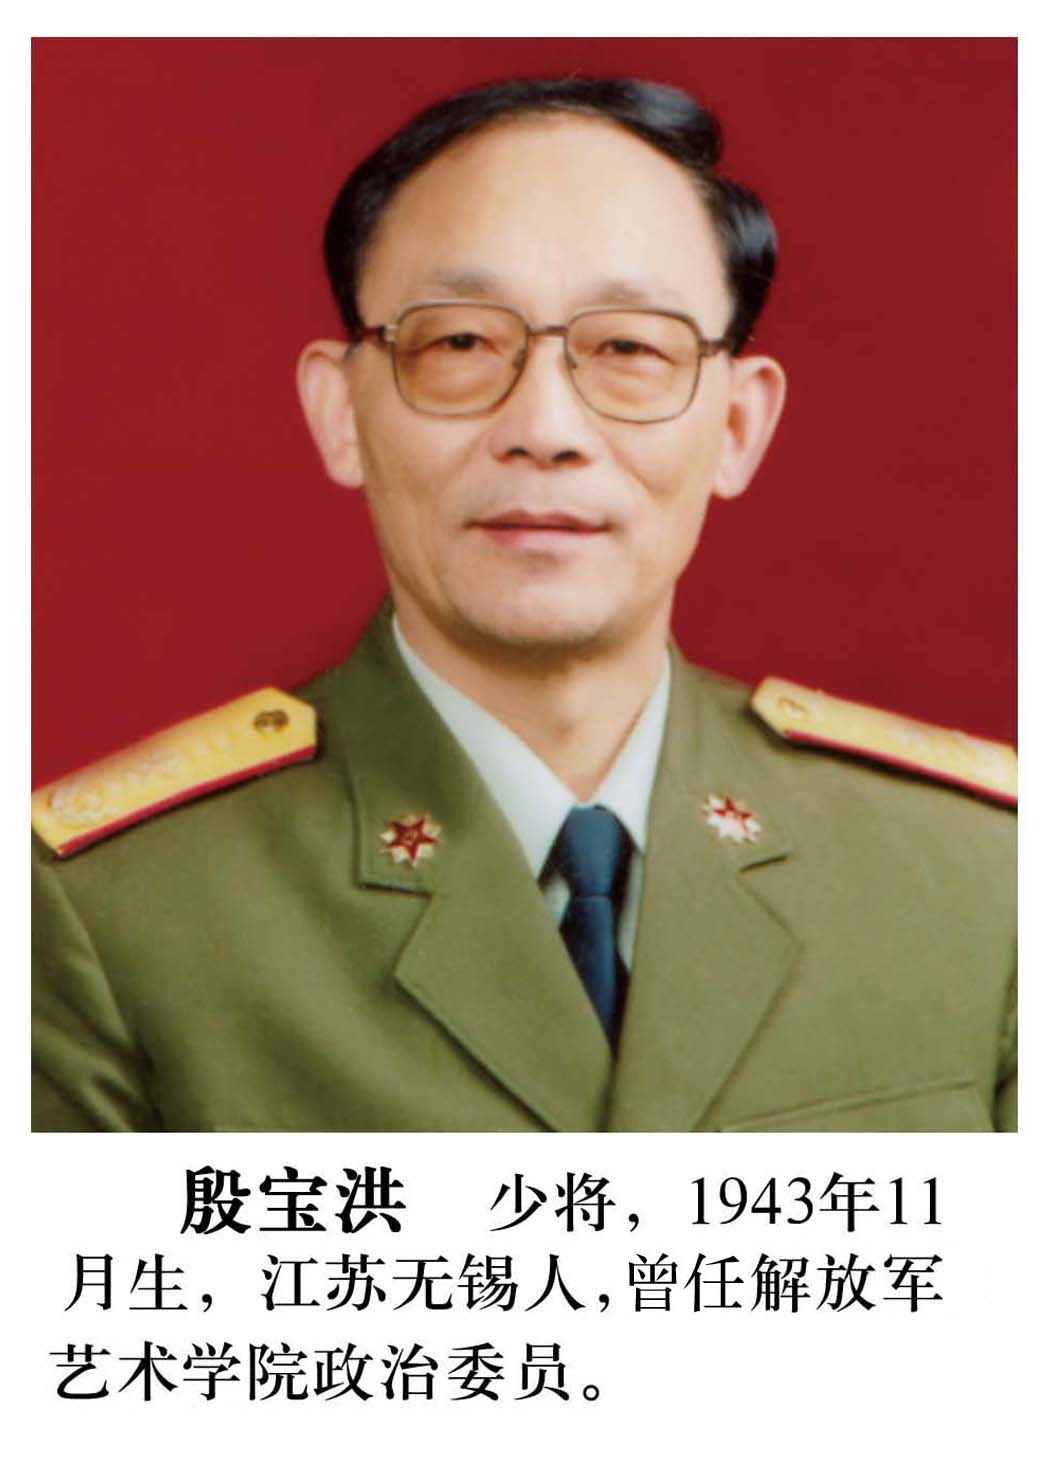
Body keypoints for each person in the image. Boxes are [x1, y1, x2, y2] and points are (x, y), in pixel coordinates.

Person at [31, 77, 1016, 1133]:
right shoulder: (111, 910)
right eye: (459, 344)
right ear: (341, 412)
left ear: (738, 427)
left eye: (630, 349)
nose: (544, 428)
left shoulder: (978, 875)